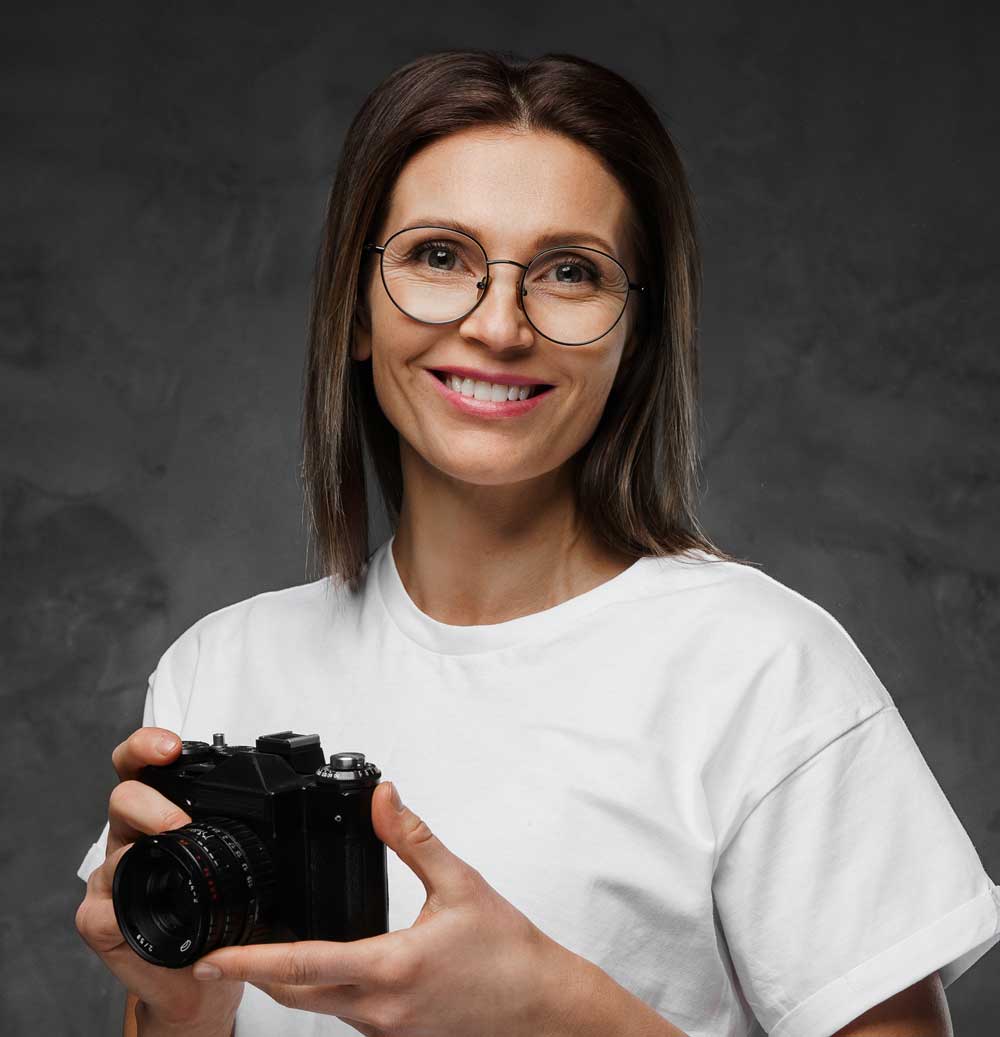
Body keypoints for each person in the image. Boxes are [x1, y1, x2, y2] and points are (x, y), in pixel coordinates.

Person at [74, 49, 1000, 1037]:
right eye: (438, 256)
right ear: (355, 308)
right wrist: (182, 1004)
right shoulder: (222, 663)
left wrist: (554, 1009)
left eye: (570, 271)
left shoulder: (760, 669)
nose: (499, 324)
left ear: (634, 337)